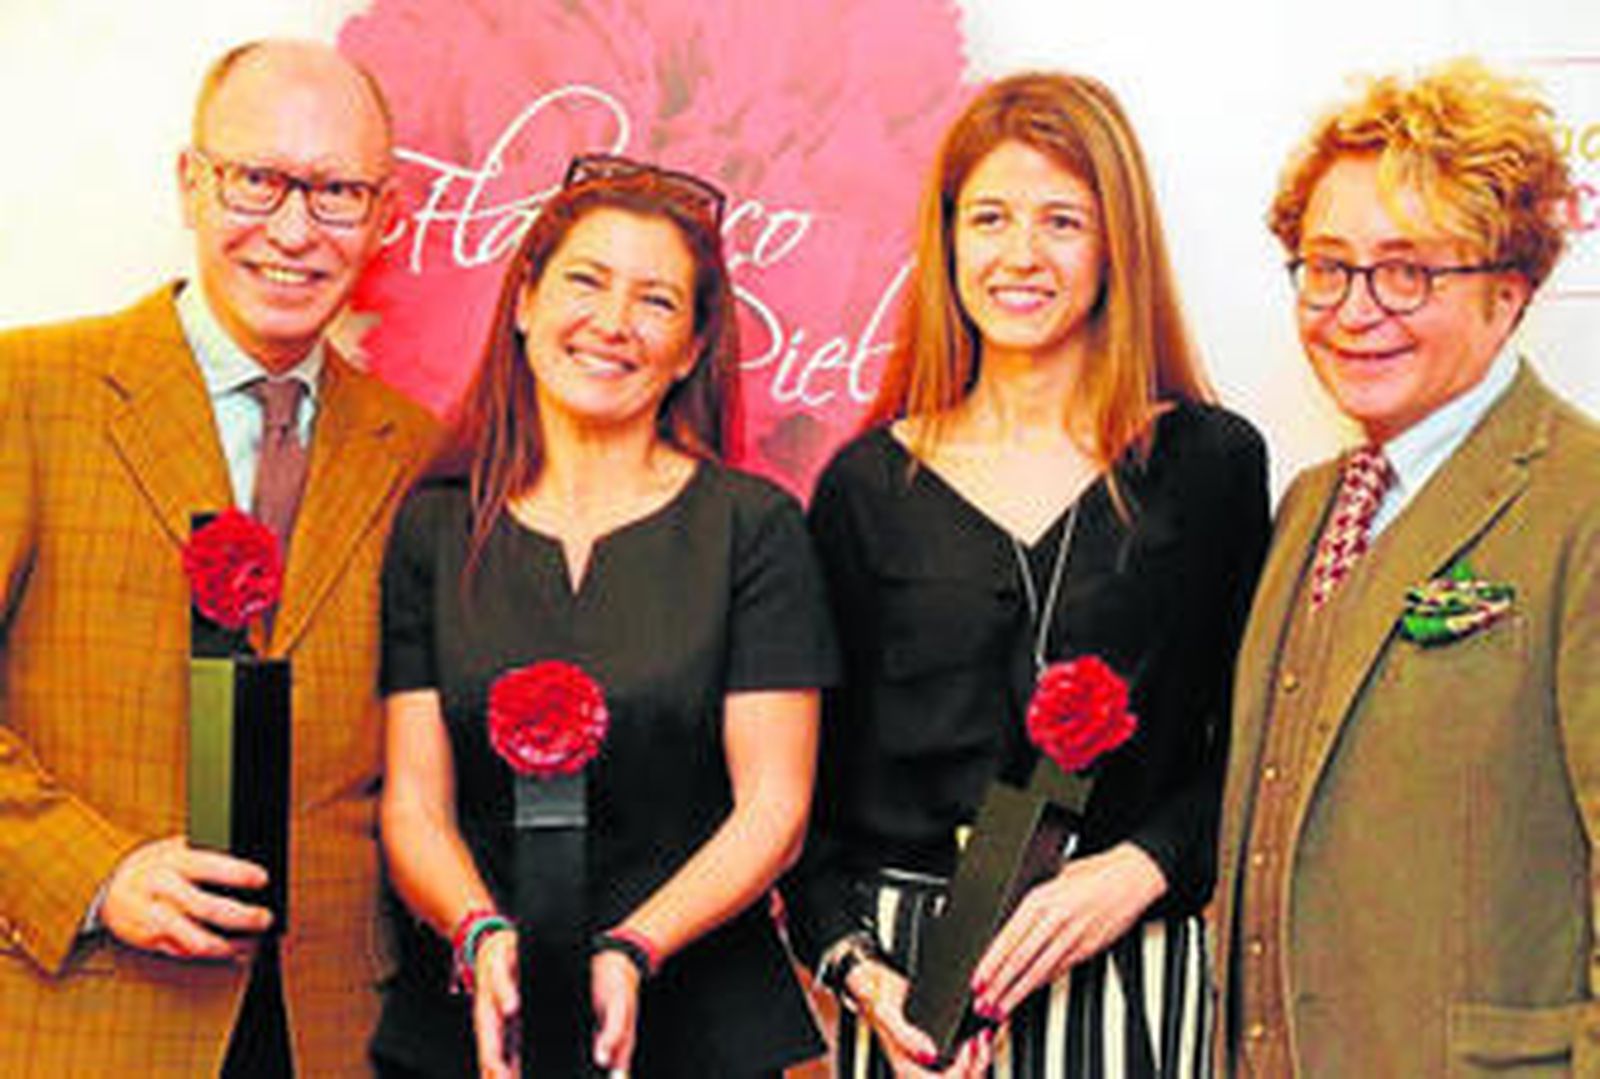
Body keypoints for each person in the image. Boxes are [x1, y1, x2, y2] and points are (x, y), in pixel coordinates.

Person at [782, 71, 1270, 1077]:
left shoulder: (1209, 464)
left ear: (1115, 245)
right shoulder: (866, 484)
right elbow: (815, 796)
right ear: (948, 237)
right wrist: (860, 972)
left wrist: (1141, 868)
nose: (1020, 254)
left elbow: (1260, 737)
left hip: (1126, 962)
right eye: (990, 217)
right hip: (909, 995)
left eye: (1061, 221)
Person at [0, 39, 438, 1077]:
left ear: (385, 214)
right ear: (191, 181)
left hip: (335, 1031)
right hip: (80, 1011)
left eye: (336, 191)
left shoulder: (419, 452)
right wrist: (94, 871)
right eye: (258, 180)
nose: (293, 229)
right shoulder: (28, 391)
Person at [372, 153, 837, 1078]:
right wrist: (482, 938)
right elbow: (415, 803)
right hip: (469, 1025)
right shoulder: (433, 527)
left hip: (701, 1026)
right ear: (525, 301)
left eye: (657, 301)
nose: (613, 323)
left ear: (695, 348)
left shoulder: (755, 527)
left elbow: (774, 810)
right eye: (586, 281)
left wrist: (632, 948)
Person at [1215, 58, 1599, 1077]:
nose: (1352, 308)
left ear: (1509, 291)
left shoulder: (1584, 502)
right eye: (1327, 265)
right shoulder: (1309, 502)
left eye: (1408, 270)